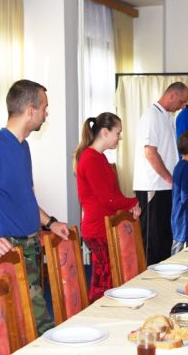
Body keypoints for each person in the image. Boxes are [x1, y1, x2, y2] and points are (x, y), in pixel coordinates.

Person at [0, 79, 69, 335]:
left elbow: (25, 198)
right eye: (44, 108)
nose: (46, 114)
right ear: (30, 110)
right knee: (36, 323)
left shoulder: (23, 147)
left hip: (31, 243)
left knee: (29, 323)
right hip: (9, 248)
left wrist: (50, 223)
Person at [73, 113, 140, 302]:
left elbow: (114, 194)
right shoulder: (90, 158)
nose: (120, 137)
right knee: (104, 281)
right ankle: (96, 313)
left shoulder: (99, 157)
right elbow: (108, 199)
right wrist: (133, 203)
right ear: (105, 132)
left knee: (107, 278)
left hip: (105, 226)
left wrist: (129, 205)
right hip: (97, 228)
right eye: (118, 133)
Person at [133, 82, 188, 265]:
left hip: (165, 187)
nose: (183, 106)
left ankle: (163, 277)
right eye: (182, 101)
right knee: (152, 242)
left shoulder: (167, 117)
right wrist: (169, 178)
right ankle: (148, 278)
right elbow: (150, 152)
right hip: (153, 187)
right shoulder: (151, 115)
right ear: (172, 95)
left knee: (165, 238)